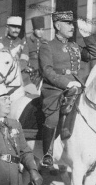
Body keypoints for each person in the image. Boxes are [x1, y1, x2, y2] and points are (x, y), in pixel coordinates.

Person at [38, 10, 88, 168]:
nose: (72, 26)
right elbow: (47, 71)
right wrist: (66, 83)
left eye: (72, 23)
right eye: (68, 23)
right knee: (52, 117)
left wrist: (87, 36)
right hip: (55, 89)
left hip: (77, 86)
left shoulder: (74, 46)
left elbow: (93, 54)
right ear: (57, 25)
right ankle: (48, 153)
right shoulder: (47, 46)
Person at [25, 16, 49, 82]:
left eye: (42, 29)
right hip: (30, 74)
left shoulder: (46, 42)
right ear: (33, 30)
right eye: (38, 29)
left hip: (43, 74)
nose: (41, 32)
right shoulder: (27, 41)